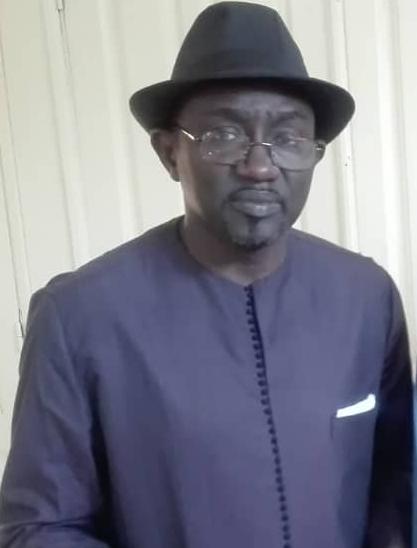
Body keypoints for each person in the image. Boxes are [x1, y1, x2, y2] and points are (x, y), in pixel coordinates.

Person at [0, 2, 413, 547]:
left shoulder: (367, 298)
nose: (260, 167)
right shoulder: (79, 317)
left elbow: (399, 487)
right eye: (224, 135)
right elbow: (37, 527)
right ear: (170, 153)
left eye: (288, 139)